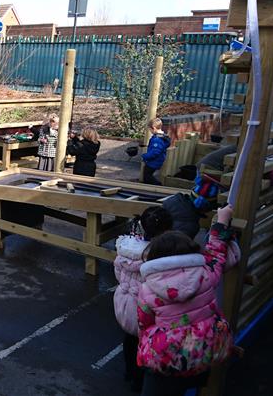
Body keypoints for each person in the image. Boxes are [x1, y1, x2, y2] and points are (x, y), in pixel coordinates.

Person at [137, 205, 238, 396]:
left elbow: (144, 322)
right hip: (202, 350)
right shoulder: (206, 273)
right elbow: (216, 252)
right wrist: (222, 220)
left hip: (167, 358)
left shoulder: (148, 288)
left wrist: (148, 342)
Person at [114, 207, 173, 392]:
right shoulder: (159, 257)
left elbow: (118, 272)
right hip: (145, 309)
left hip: (124, 302)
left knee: (130, 339)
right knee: (146, 344)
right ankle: (139, 382)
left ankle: (129, 373)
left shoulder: (127, 248)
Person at [141, 118, 171, 186]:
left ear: (154, 128)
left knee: (147, 176)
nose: (150, 131)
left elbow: (155, 152)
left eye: (150, 129)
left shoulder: (157, 139)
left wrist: (145, 156)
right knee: (147, 175)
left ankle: (158, 185)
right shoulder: (162, 137)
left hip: (154, 162)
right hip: (157, 160)